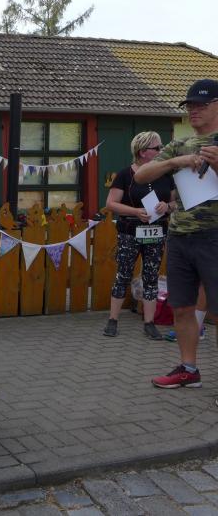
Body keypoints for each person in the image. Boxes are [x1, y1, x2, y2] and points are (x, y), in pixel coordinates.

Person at [134, 78, 218, 389]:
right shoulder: (177, 145)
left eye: (201, 104)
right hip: (180, 237)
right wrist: (175, 161)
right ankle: (188, 370)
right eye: (190, 105)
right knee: (182, 307)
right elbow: (140, 175)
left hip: (214, 236)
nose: (193, 110)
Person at [103, 131, 176, 340]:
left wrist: (167, 206)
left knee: (151, 277)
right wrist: (135, 212)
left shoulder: (166, 175)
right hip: (130, 232)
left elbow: (176, 202)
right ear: (143, 152)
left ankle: (149, 323)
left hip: (157, 231)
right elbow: (111, 203)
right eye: (157, 148)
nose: (161, 150)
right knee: (123, 275)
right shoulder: (125, 175)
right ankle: (113, 321)